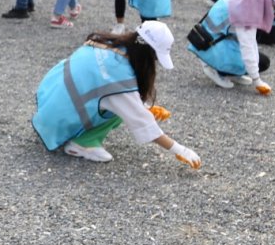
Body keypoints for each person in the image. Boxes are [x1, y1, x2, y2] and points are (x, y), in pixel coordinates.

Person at [32, 22, 202, 169]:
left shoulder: (108, 44)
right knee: (119, 108)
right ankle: (82, 144)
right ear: (147, 54)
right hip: (57, 121)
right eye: (155, 58)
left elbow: (101, 88)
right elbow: (142, 122)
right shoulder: (119, 79)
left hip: (49, 99)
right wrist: (180, 150)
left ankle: (80, 135)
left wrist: (146, 108)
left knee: (118, 102)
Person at [187, 0, 275, 93]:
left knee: (259, 60)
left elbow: (250, 40)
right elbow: (248, 46)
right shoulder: (248, 10)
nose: (274, 11)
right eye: (274, 6)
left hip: (210, 38)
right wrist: (257, 80)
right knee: (261, 62)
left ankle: (231, 72)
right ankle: (214, 69)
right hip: (209, 44)